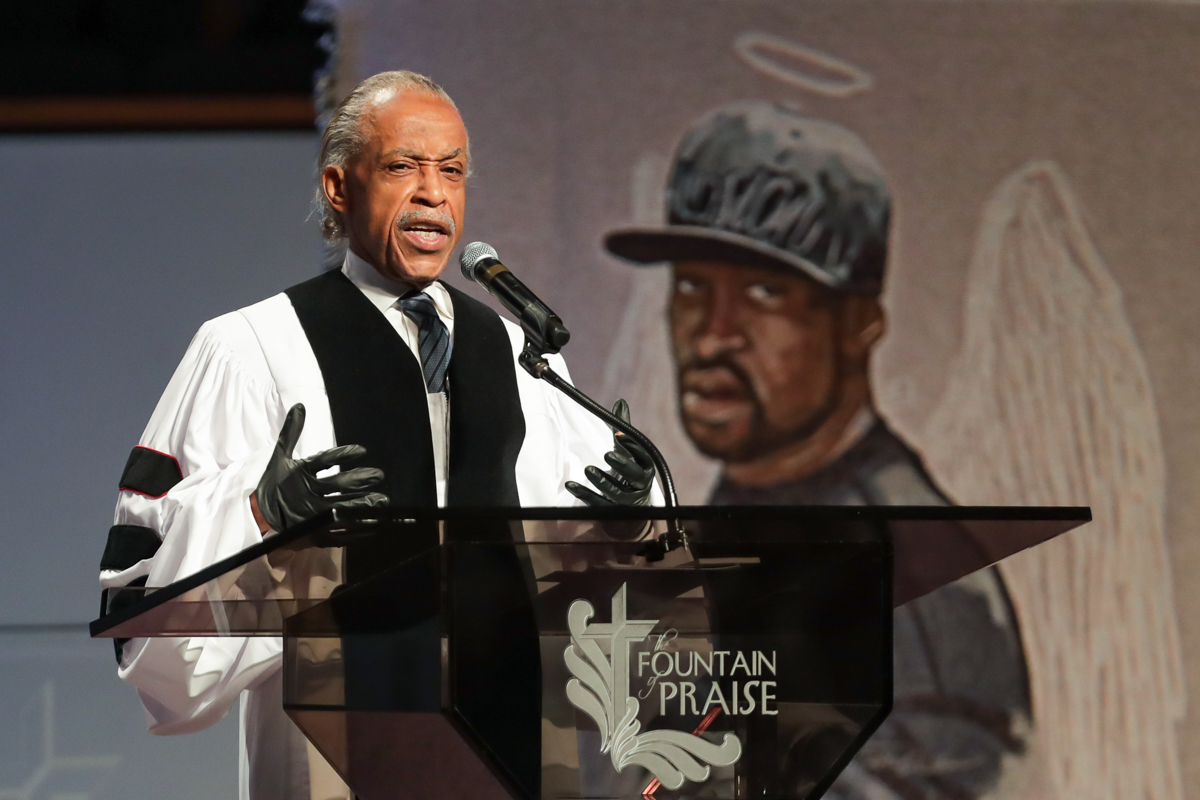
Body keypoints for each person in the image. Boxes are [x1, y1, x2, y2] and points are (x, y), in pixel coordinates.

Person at [98, 71, 655, 800]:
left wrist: (627, 525)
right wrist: (261, 516)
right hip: (335, 764)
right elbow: (139, 597)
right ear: (338, 187)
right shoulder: (251, 348)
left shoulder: (525, 360)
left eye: (452, 171)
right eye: (403, 167)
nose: (434, 193)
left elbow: (581, 604)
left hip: (513, 756)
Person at [605, 101, 1033, 799]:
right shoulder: (741, 512)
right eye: (691, 286)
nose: (713, 335)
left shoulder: (919, 589)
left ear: (859, 324)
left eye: (765, 293)